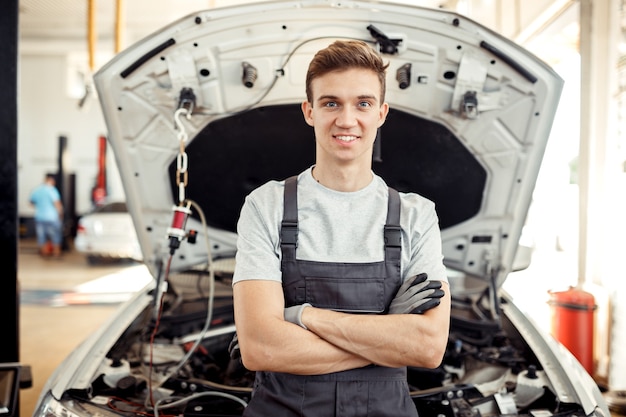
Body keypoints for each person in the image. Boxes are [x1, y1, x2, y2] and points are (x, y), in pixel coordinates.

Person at [232, 40, 451, 416]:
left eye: (363, 103)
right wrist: (387, 336)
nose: (347, 120)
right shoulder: (265, 205)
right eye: (331, 102)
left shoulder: (417, 215)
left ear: (381, 113)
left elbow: (428, 348)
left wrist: (303, 317)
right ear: (309, 111)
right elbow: (261, 349)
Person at [29, 173, 64, 257]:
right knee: (55, 235)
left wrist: (40, 206)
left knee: (42, 235)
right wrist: (60, 214)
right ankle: (56, 253)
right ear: (51, 181)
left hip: (40, 216)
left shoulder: (37, 190)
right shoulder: (52, 190)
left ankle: (44, 252)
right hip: (52, 217)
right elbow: (57, 203)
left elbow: (31, 202)